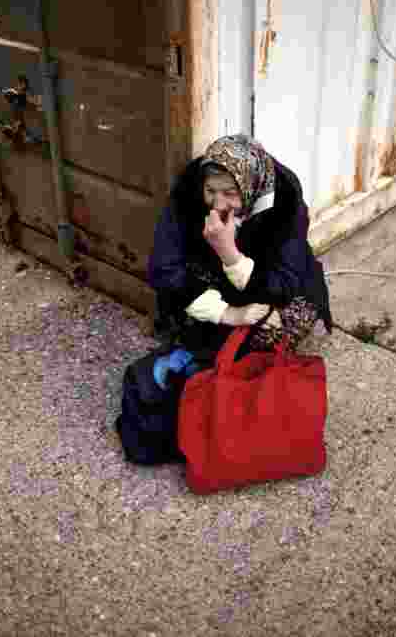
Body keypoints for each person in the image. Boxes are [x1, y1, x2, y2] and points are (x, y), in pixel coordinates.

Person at [115, 134, 333, 466]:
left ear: (248, 186)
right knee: (196, 314)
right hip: (211, 284)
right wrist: (228, 313)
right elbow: (163, 269)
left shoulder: (285, 198)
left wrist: (229, 252)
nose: (218, 204)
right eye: (211, 192)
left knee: (284, 318)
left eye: (230, 194)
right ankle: (205, 362)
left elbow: (282, 283)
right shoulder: (188, 191)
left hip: (263, 281)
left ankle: (222, 367)